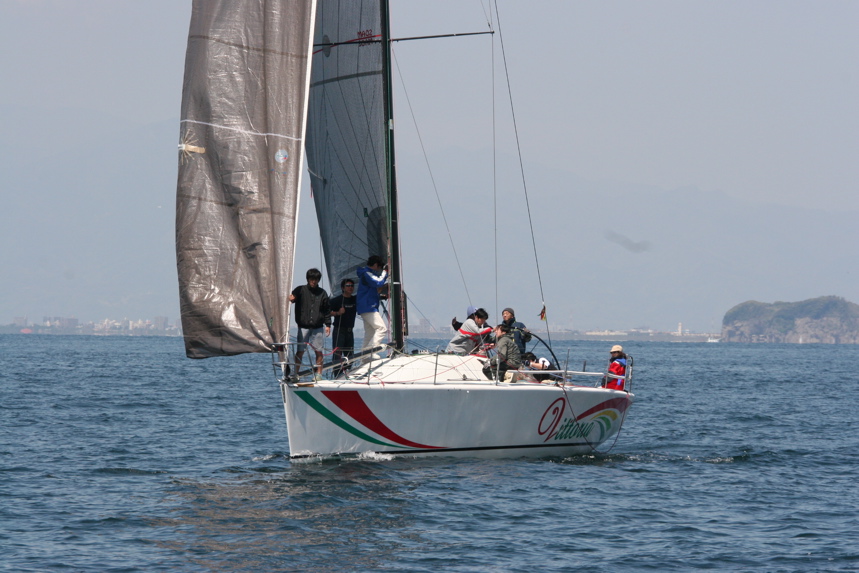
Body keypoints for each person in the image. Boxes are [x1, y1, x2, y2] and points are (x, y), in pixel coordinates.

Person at [289, 268, 331, 379]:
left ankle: (318, 374)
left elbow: (327, 310)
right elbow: (292, 297)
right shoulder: (300, 290)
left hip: (318, 327)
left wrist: (328, 325)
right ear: (308, 279)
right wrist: (291, 298)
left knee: (319, 351)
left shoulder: (323, 293)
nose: (313, 281)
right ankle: (295, 373)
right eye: (312, 279)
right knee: (300, 351)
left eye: (316, 279)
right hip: (303, 327)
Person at [356, 255, 388, 361]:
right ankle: (371, 351)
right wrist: (385, 272)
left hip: (365, 307)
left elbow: (371, 289)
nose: (379, 270)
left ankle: (364, 357)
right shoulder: (367, 273)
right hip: (369, 307)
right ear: (375, 265)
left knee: (369, 333)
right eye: (379, 267)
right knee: (382, 329)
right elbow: (378, 282)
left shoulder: (367, 274)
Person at [329, 277, 357, 375]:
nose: (350, 287)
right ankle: (337, 374)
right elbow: (326, 312)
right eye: (348, 286)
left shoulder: (355, 299)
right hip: (339, 330)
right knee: (337, 355)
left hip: (350, 331)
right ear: (342, 288)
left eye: (352, 286)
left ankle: (346, 372)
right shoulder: (337, 300)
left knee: (350, 356)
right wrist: (337, 313)